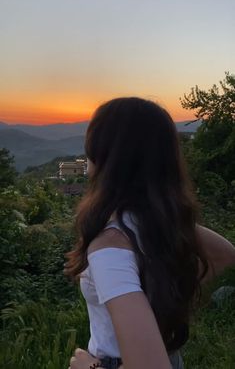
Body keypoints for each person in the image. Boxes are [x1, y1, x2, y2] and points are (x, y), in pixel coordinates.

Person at [64, 97, 235, 369]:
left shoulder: (109, 247)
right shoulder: (150, 223)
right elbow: (225, 255)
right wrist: (161, 306)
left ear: (105, 154)